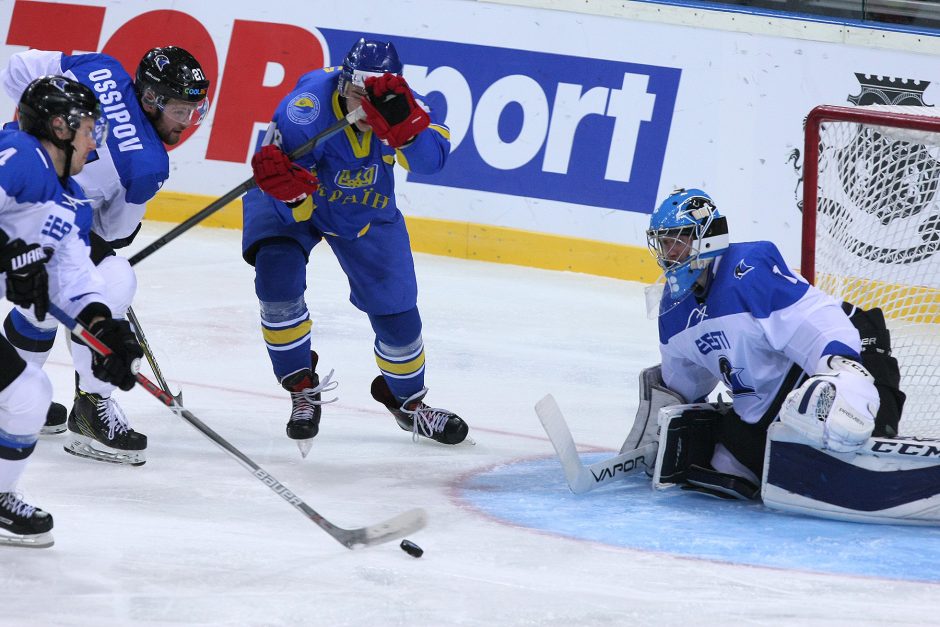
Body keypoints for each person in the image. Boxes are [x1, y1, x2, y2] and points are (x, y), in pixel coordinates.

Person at [243, 38, 469, 456]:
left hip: (364, 206)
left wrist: (405, 132)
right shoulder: (304, 110)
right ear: (342, 84)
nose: (363, 106)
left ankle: (408, 402)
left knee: (398, 315)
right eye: (354, 94)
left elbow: (432, 162)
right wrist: (292, 197)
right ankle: (301, 387)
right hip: (294, 196)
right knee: (277, 277)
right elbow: (278, 178)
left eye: (373, 96)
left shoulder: (407, 105)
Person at [0, 46, 210, 464]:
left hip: (43, 205)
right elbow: (115, 231)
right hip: (32, 206)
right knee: (111, 277)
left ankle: (22, 393)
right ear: (152, 99)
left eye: (195, 111)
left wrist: (102, 330)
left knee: (78, 288)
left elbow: (17, 68)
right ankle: (85, 402)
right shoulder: (146, 165)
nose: (188, 123)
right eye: (180, 111)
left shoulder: (100, 67)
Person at [631, 187, 904, 500]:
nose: (669, 253)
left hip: (846, 350)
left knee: (831, 416)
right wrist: (655, 432)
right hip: (767, 402)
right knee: (724, 470)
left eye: (678, 240)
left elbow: (818, 321)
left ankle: (875, 447)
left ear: (707, 237)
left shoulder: (749, 268)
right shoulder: (673, 310)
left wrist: (844, 372)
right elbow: (683, 388)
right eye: (664, 243)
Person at [0, 75, 143, 545]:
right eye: (88, 129)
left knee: (28, 395)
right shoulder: (21, 157)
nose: (94, 141)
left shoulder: (69, 201)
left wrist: (105, 328)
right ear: (60, 127)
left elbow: (74, 278)